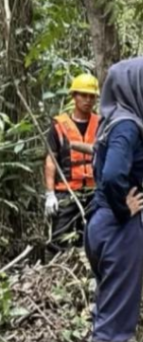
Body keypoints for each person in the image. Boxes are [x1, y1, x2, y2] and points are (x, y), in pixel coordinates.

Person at [85, 57, 143, 342]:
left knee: (108, 308)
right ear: (140, 87)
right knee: (116, 320)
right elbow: (111, 175)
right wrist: (125, 209)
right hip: (117, 228)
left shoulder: (113, 119)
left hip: (101, 223)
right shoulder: (127, 125)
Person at [44, 74, 100, 252]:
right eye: (83, 95)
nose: (88, 100)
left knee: (92, 239)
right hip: (66, 192)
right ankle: (53, 274)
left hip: (93, 192)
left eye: (92, 96)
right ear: (74, 96)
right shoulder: (59, 125)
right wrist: (50, 194)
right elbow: (51, 161)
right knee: (58, 240)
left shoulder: (100, 124)